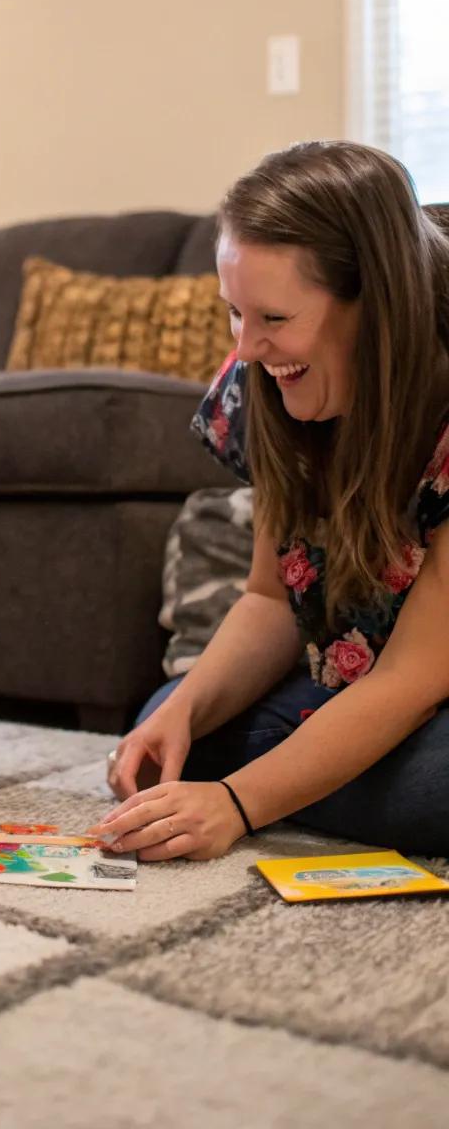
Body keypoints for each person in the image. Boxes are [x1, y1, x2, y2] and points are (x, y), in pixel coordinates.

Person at [93, 140, 449, 861]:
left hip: (426, 687)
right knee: (167, 724)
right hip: (357, 687)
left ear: (376, 306)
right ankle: (322, 766)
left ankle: (311, 771)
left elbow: (417, 677)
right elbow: (267, 599)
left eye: (275, 320)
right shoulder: (261, 381)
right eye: (234, 313)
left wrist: (237, 803)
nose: (248, 347)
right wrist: (189, 707)